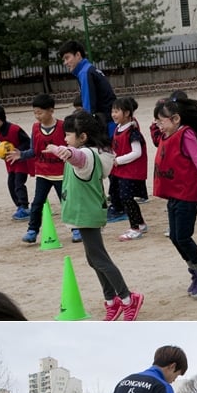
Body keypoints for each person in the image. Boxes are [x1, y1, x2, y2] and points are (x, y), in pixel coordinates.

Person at [45, 108, 144, 322]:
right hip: (84, 212)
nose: (65, 138)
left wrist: (64, 151)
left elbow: (78, 158)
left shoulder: (87, 155)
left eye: (68, 135)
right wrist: (63, 149)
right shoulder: (95, 152)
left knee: (99, 258)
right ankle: (112, 300)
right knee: (94, 259)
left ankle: (128, 298)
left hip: (86, 212)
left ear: (83, 137)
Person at [153, 93, 197, 297]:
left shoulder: (186, 134)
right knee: (174, 235)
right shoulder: (166, 135)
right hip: (174, 193)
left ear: (176, 119)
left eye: (161, 121)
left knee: (182, 235)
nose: (158, 126)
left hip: (187, 194)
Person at [7, 92, 68, 245]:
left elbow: (70, 148)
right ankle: (32, 230)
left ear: (51, 110)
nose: (37, 116)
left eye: (40, 112)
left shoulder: (62, 126)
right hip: (43, 173)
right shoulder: (35, 128)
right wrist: (21, 155)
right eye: (35, 113)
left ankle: (75, 229)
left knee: (67, 202)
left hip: (61, 174)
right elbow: (34, 150)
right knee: (37, 203)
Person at [0, 103, 33, 218]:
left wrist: (17, 151)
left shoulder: (15, 129)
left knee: (18, 183)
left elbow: (28, 142)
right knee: (11, 183)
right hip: (10, 163)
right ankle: (19, 205)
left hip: (21, 161)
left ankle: (25, 208)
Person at [110, 95, 148, 238]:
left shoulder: (132, 132)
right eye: (112, 111)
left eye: (117, 111)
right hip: (121, 170)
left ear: (126, 113)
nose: (113, 114)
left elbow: (137, 153)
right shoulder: (118, 128)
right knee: (125, 198)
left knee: (127, 198)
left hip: (130, 171)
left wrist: (118, 160)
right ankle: (141, 224)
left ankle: (135, 228)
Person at [60, 40, 116, 125]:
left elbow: (88, 106)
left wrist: (87, 126)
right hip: (110, 119)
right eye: (64, 60)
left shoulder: (85, 72)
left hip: (107, 123)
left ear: (78, 55)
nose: (65, 63)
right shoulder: (89, 69)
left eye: (67, 58)